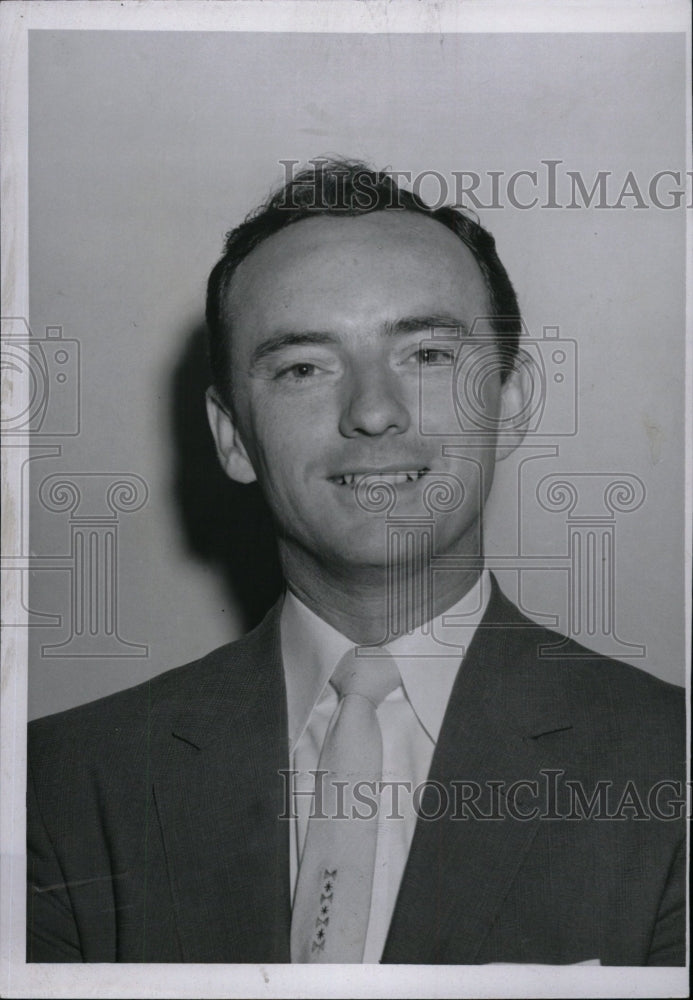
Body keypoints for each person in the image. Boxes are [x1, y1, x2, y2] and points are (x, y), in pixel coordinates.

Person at [27, 159, 685, 965]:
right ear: (232, 436)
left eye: (428, 355)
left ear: (509, 402)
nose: (372, 411)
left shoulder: (669, 768)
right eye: (304, 367)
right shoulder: (52, 786)